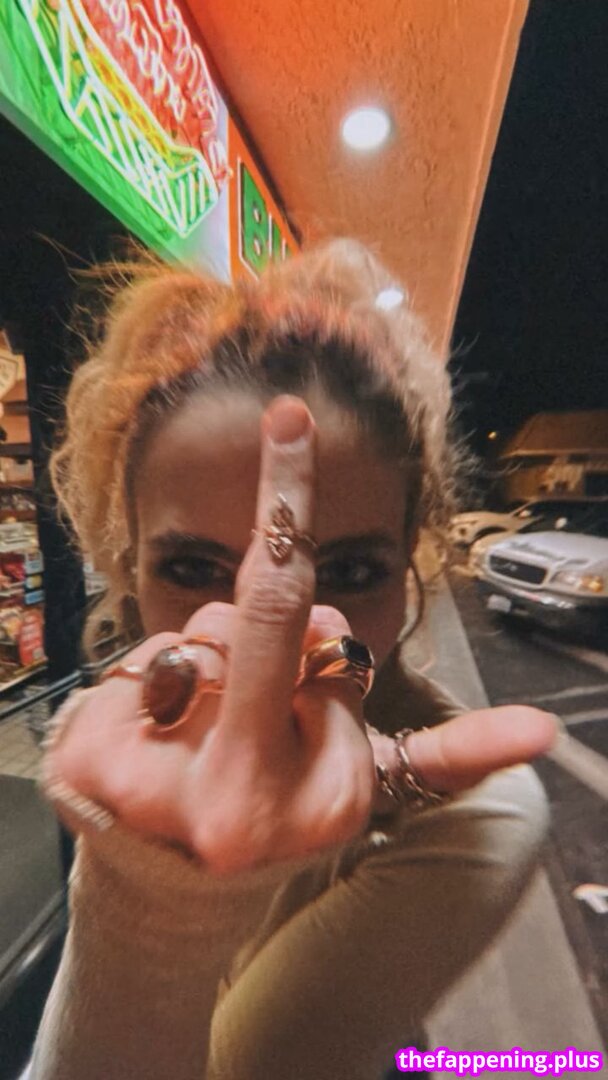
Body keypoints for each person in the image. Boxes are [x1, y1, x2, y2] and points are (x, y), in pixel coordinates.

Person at [26, 240, 556, 1080]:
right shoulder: (120, 734)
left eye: (347, 573)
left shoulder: (477, 810)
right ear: (128, 570)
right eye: (193, 569)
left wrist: (154, 906)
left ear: (408, 570)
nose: (264, 635)